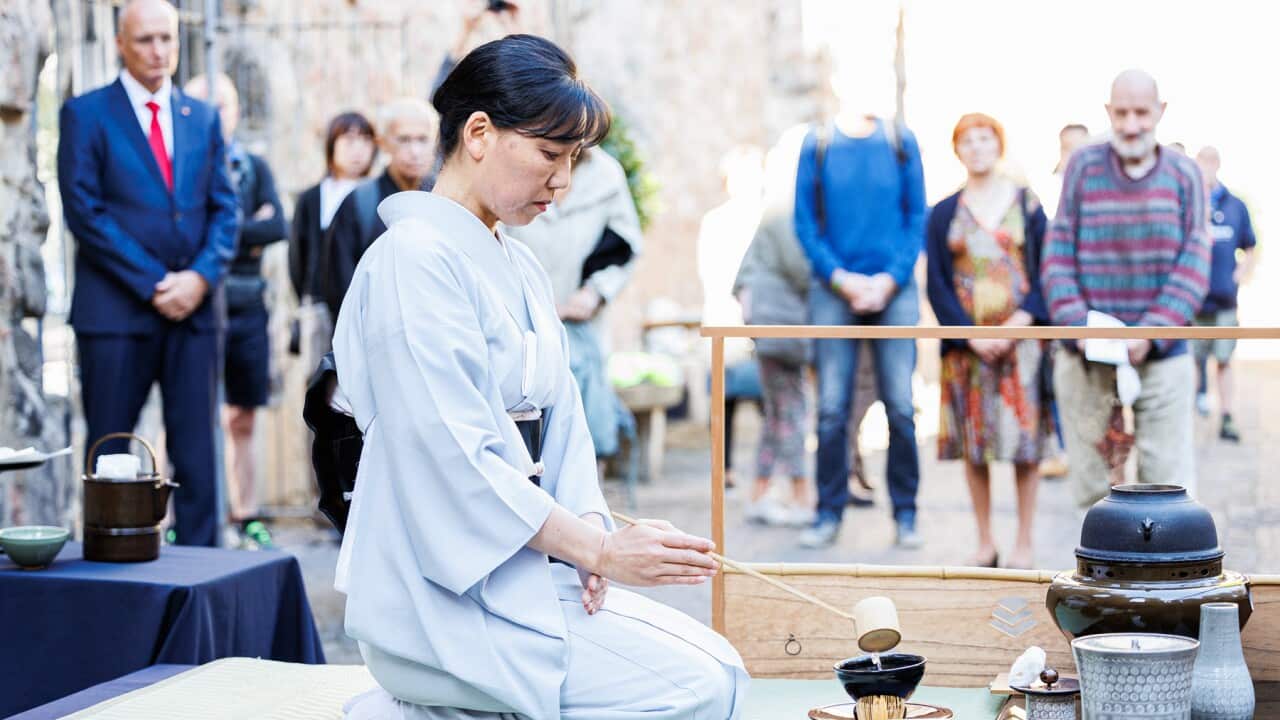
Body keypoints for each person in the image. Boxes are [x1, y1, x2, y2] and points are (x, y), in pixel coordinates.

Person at [333, 35, 747, 719]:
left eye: (573, 159)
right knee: (701, 687)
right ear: (477, 134)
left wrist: (587, 532)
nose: (564, 182)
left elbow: (564, 425)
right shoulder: (410, 261)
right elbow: (452, 459)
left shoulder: (518, 264)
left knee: (722, 670)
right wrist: (601, 548)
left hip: (521, 561)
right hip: (434, 587)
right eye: (550, 155)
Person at [57, 0, 237, 547]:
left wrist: (200, 279)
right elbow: (84, 212)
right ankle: (110, 567)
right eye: (145, 40)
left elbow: (224, 211)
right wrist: (157, 282)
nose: (159, 51)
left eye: (168, 39)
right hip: (116, 313)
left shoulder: (202, 118)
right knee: (111, 450)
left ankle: (204, 570)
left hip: (196, 313)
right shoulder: (85, 114)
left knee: (198, 454)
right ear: (120, 43)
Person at [1041, 69, 1209, 508]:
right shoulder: (1082, 166)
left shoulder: (1184, 174)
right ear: (1107, 112)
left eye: (1141, 113)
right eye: (1121, 112)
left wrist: (1149, 331)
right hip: (1087, 356)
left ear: (1160, 112)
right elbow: (1058, 252)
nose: (1131, 124)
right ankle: (1101, 575)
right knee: (1094, 491)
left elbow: (1195, 260)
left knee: (1168, 487)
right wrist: (1079, 324)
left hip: (1162, 355)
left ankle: (1163, 575)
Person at [793, 83, 927, 550]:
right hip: (836, 290)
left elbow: (916, 219)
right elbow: (804, 223)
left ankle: (906, 515)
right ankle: (827, 512)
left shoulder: (901, 141)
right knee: (831, 409)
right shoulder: (818, 143)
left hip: (895, 290)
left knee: (902, 408)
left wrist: (889, 280)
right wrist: (841, 279)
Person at [926, 113, 1052, 570]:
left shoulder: (1027, 203)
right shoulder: (943, 212)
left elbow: (1047, 269)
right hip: (968, 349)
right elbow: (938, 283)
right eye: (967, 141)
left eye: (985, 139)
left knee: (1024, 444)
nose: (977, 148)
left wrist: (1021, 321)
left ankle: (1023, 541)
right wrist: (970, 334)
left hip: (1022, 344)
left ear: (998, 146)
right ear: (957, 150)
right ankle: (984, 539)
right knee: (975, 444)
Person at [184, 72, 286, 549]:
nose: (215, 114)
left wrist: (220, 233)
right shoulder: (180, 165)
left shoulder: (255, 166)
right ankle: (176, 516)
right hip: (196, 304)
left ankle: (246, 514)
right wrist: (245, 229)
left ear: (236, 111)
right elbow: (184, 234)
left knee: (241, 416)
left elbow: (278, 227)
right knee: (185, 415)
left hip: (246, 304)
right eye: (205, 104)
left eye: (222, 104)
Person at [502, 148, 643, 470]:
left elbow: (626, 245)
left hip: (581, 321)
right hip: (520, 319)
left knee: (584, 423)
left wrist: (595, 292)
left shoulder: (607, 174)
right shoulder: (520, 161)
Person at [732, 126, 813, 527]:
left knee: (778, 410)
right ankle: (800, 496)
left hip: (767, 320)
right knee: (794, 409)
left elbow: (743, 274)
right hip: (783, 321)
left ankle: (760, 493)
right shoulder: (790, 205)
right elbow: (801, 266)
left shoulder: (778, 205)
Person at [321, 97, 437, 322]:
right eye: (404, 140)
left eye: (423, 139)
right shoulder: (359, 203)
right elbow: (339, 286)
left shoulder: (446, 200)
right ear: (383, 143)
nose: (414, 151)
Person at [1193, 145, 1257, 442]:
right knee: (1192, 360)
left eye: (1209, 162)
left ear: (1216, 164)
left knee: (1225, 359)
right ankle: (1193, 412)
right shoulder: (1191, 204)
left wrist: (1240, 273)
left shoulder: (1235, 206)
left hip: (1224, 300)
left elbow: (1250, 246)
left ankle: (1227, 415)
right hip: (1193, 302)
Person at [289, 112, 377, 317]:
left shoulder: (377, 194)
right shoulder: (312, 198)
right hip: (320, 306)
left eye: (365, 141)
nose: (358, 150)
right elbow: (297, 257)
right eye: (349, 141)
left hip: (368, 307)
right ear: (331, 145)